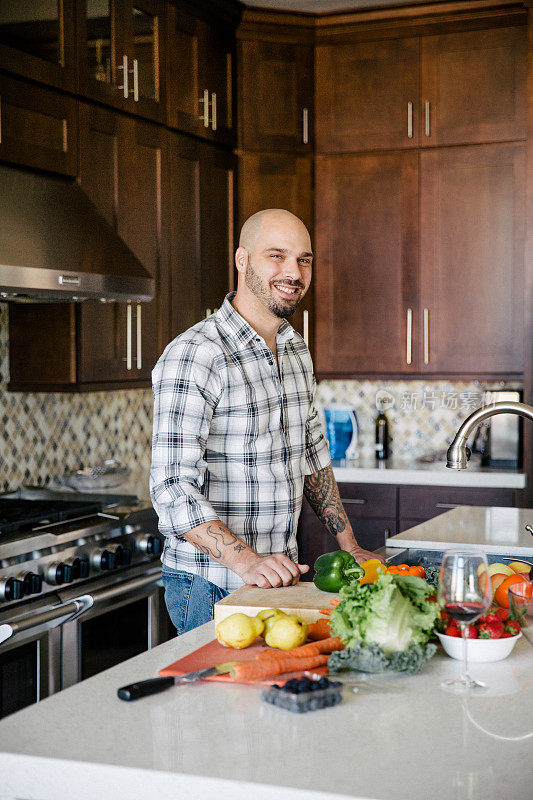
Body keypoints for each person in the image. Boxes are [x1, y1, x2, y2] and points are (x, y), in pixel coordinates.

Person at [150, 208, 384, 635]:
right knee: (220, 699)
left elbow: (311, 456)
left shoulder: (295, 349)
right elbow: (171, 487)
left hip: (278, 576)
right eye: (276, 255)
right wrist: (248, 561)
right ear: (242, 260)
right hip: (211, 584)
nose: (293, 272)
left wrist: (349, 546)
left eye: (304, 259)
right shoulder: (197, 353)